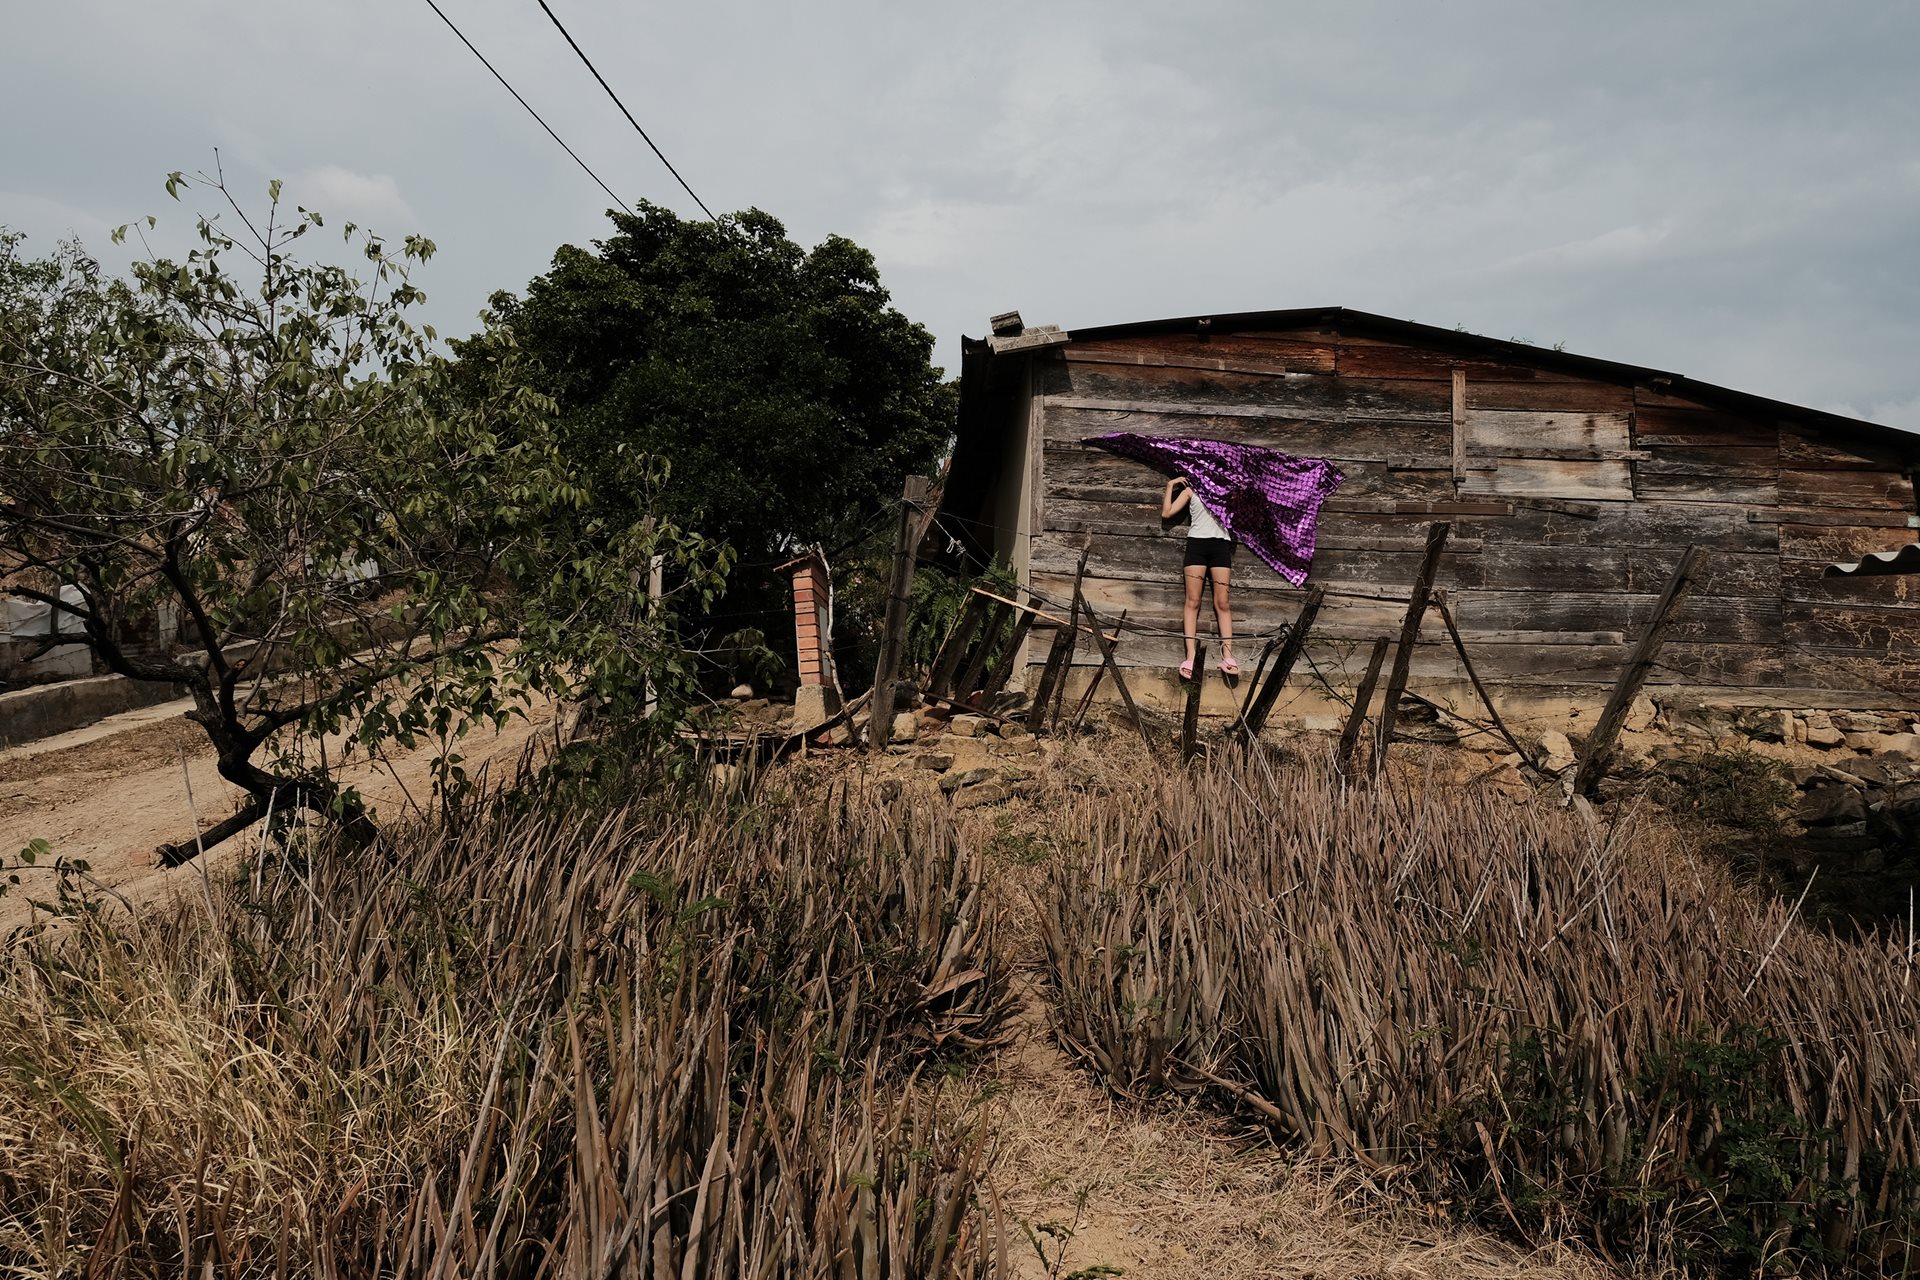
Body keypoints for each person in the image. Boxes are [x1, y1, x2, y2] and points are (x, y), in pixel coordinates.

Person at [1162, 476, 1238, 679]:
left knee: (1223, 602)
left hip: (1221, 545)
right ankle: (1191, 656)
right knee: (1192, 601)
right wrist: (1171, 485)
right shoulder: (1190, 491)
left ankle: (1228, 656)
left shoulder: (1228, 493)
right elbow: (1166, 513)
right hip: (1197, 545)